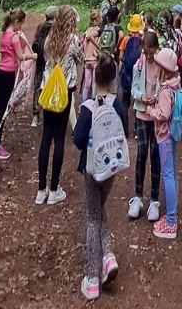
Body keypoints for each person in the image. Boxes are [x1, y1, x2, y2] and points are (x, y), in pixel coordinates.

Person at [73, 52, 128, 301]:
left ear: (95, 77)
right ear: (113, 78)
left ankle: (92, 278)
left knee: (92, 217)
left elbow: (78, 140)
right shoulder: (116, 104)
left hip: (92, 167)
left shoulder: (88, 107)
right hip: (112, 167)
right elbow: (125, 129)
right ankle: (107, 256)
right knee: (100, 208)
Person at [36, 4, 84, 205]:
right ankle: (54, 188)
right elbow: (80, 59)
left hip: (48, 92)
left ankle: (41, 190)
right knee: (59, 138)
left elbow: (46, 60)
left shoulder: (48, 40)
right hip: (64, 92)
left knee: (46, 136)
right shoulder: (72, 41)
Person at [0, 8, 31, 159]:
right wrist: (34, 56)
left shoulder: (5, 33)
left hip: (1, 72)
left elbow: (16, 49)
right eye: (21, 24)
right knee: (3, 109)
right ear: (17, 22)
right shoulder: (13, 37)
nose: (21, 27)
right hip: (7, 74)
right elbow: (20, 56)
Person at [129, 29, 161, 222]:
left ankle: (155, 199)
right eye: (146, 52)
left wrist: (156, 98)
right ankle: (138, 196)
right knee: (141, 153)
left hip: (156, 115)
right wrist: (141, 96)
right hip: (141, 113)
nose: (149, 56)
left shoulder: (160, 65)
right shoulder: (138, 66)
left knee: (155, 154)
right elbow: (133, 87)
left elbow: (164, 87)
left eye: (152, 53)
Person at [148, 47, 181, 240]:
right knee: (172, 174)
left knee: (167, 175)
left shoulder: (165, 90)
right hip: (171, 135)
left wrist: (152, 111)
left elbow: (164, 114)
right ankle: (172, 215)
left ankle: (170, 223)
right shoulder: (174, 84)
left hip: (164, 136)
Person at [31, 5, 58, 128]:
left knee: (38, 85)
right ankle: (50, 111)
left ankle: (35, 115)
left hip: (40, 59)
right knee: (50, 84)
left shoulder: (40, 26)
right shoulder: (55, 27)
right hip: (50, 59)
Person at [118, 13, 145, 107]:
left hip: (126, 72)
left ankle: (123, 120)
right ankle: (137, 121)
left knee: (125, 99)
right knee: (137, 100)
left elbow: (121, 57)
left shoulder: (126, 39)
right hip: (138, 72)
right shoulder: (143, 39)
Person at [82, 9, 103, 101]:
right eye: (101, 17)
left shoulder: (87, 30)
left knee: (86, 85)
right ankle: (94, 105)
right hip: (95, 60)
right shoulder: (98, 31)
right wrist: (99, 48)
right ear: (98, 19)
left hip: (87, 60)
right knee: (95, 84)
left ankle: (83, 104)